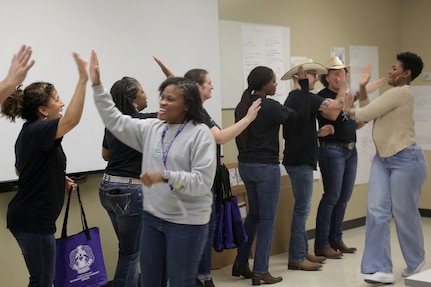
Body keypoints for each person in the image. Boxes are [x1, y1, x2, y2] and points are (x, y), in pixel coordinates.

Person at [90, 49, 217, 287]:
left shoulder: (199, 134)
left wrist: (166, 176)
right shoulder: (151, 126)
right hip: (149, 211)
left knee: (176, 278)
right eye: (162, 96)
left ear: (186, 105)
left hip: (184, 219)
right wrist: (97, 86)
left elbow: (201, 182)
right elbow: (114, 120)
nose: (161, 101)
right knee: (145, 271)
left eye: (170, 98)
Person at [153, 57, 262, 287]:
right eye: (209, 83)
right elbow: (220, 137)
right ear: (198, 87)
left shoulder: (195, 108)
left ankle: (203, 277)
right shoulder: (195, 112)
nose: (212, 86)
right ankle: (199, 278)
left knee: (205, 230)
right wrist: (249, 118)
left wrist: (169, 73)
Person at [0, 51, 88, 287]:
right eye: (57, 99)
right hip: (33, 220)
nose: (61, 103)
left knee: (43, 279)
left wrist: (58, 179)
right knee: (42, 280)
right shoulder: (38, 131)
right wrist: (82, 80)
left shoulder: (31, 133)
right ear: (43, 110)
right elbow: (71, 120)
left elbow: (21, 171)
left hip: (31, 218)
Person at [346, 53, 427, 284]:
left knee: (404, 213)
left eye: (394, 68)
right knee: (376, 211)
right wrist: (362, 86)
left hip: (406, 159)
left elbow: (363, 114)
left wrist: (347, 108)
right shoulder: (393, 94)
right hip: (382, 160)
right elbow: (369, 110)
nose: (389, 72)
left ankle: (416, 260)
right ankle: (381, 269)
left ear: (406, 73)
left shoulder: (401, 92)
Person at [233, 65, 310, 285]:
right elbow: (300, 119)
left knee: (255, 215)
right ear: (264, 84)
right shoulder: (268, 105)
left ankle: (240, 262)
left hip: (245, 166)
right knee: (267, 219)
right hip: (265, 168)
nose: (276, 84)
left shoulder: (243, 105)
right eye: (274, 81)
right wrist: (303, 87)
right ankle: (260, 271)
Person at [280, 58, 348, 271]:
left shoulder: (295, 99)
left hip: (298, 157)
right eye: (311, 75)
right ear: (299, 77)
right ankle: (297, 257)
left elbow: (296, 132)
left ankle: (301, 251)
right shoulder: (304, 98)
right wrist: (343, 88)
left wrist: (319, 133)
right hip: (300, 161)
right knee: (302, 209)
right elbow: (336, 107)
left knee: (302, 208)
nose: (316, 80)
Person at [99, 76, 157, 287]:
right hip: (130, 191)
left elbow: (106, 155)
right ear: (133, 99)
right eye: (142, 91)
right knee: (131, 253)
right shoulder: (144, 121)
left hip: (107, 187)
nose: (145, 94)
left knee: (128, 248)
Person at [314, 56, 367, 259]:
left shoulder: (347, 95)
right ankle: (322, 244)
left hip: (350, 150)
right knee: (331, 196)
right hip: (332, 150)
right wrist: (343, 91)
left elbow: (354, 123)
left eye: (342, 73)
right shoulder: (322, 96)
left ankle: (336, 238)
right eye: (335, 73)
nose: (340, 77)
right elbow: (334, 115)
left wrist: (364, 116)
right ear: (326, 77)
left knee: (343, 198)